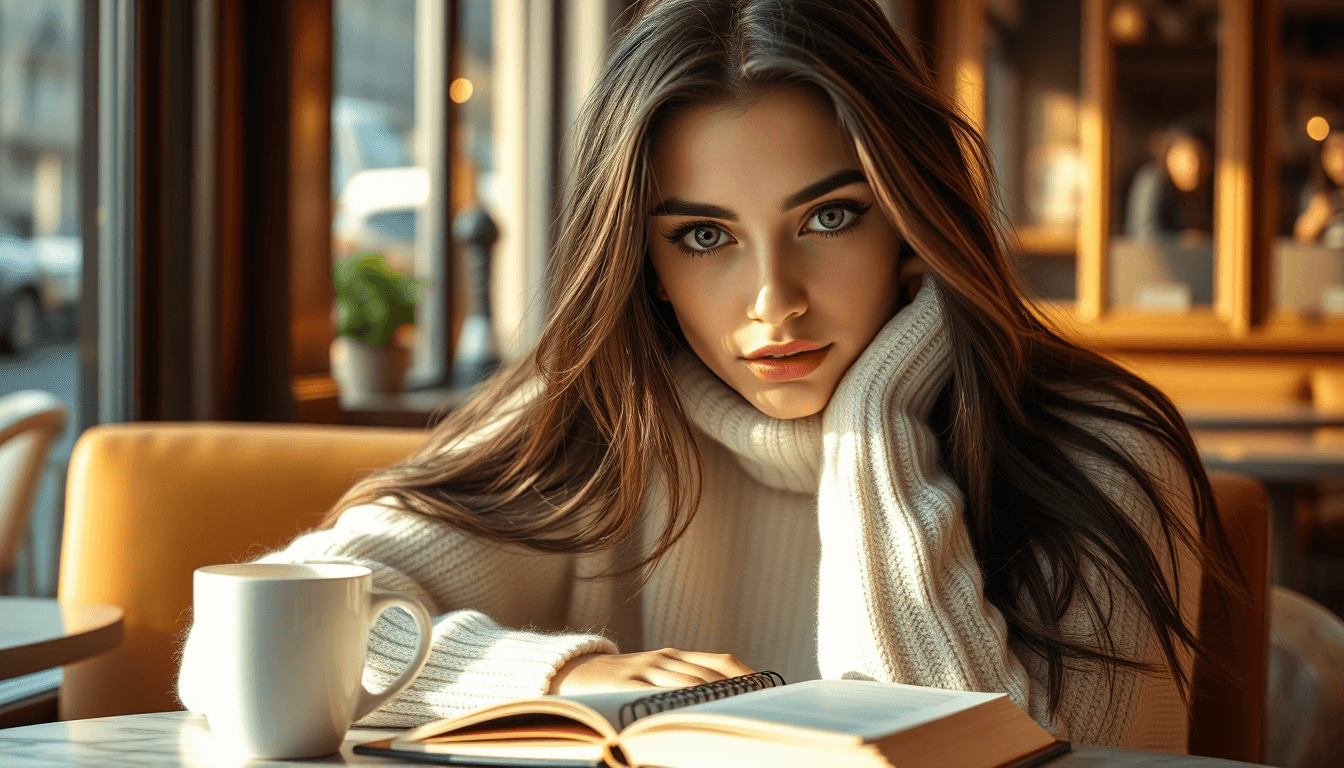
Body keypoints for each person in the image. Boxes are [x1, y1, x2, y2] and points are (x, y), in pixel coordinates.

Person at [178, 0, 1234, 752]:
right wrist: (568, 681)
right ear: (643, 260)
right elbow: (239, 653)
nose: (774, 299)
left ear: (913, 222)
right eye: (703, 237)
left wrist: (872, 431)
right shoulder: (591, 420)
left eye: (830, 217)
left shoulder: (1104, 453)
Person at [1125, 121, 1215, 242]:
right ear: (1168, 154)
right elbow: (1145, 237)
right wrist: (1185, 240)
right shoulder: (1152, 180)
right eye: (1187, 157)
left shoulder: (1211, 191)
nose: (1195, 166)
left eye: (1201, 157)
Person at [1294, 129, 1344, 249]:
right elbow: (1300, 239)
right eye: (1332, 153)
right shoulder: (1316, 192)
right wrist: (1315, 219)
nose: (1340, 161)